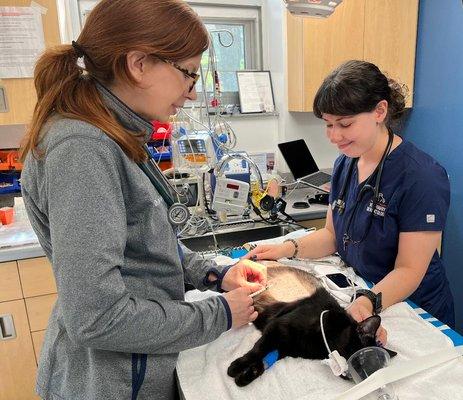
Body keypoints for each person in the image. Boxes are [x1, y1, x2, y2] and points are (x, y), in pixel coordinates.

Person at [20, 1, 267, 399]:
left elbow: (148, 243)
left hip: (140, 365)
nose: (191, 94)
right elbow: (97, 317)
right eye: (188, 74)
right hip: (114, 382)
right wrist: (219, 314)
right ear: (138, 64)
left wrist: (214, 274)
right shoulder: (82, 149)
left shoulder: (116, 134)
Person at [247, 60, 454, 338]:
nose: (334, 136)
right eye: (329, 124)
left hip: (416, 311)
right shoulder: (345, 164)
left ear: (380, 111)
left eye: (344, 124)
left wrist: (368, 301)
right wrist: (284, 249)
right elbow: (332, 236)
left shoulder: (421, 177)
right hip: (362, 294)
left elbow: (409, 270)